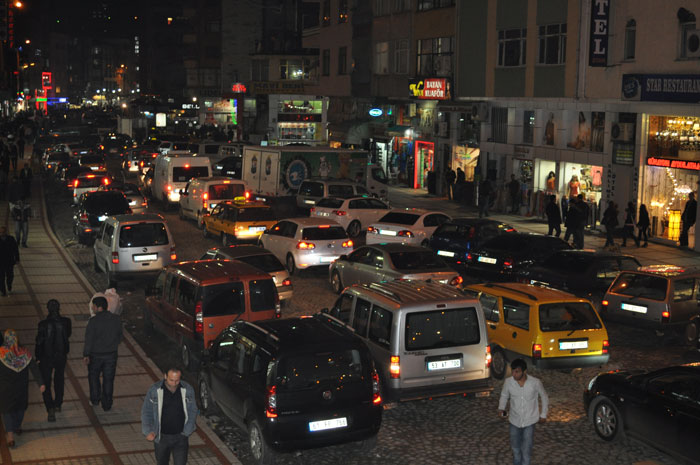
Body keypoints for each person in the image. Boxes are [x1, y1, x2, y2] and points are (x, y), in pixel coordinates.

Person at [141, 366, 199, 465]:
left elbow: (193, 410)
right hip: (161, 437)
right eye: (171, 380)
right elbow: (147, 411)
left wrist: (187, 430)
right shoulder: (155, 390)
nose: (174, 383)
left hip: (181, 436)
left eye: (177, 380)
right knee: (162, 462)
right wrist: (148, 431)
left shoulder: (187, 389)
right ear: (165, 376)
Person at [498, 358, 548, 465]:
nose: (514, 374)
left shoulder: (535, 383)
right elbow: (504, 396)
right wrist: (501, 408)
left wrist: (543, 414)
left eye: (517, 371)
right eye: (513, 371)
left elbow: (544, 396)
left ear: (524, 371)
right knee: (515, 448)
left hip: (529, 421)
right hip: (514, 420)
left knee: (526, 449)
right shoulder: (508, 382)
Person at [0, 329, 45, 448]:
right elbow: (34, 368)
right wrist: (41, 383)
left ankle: (11, 434)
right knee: (20, 409)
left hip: (6, 390)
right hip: (21, 388)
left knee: (8, 411)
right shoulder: (25, 353)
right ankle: (15, 429)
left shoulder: (1, 354)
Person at [83, 296, 122, 411]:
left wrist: (86, 354)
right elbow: (120, 336)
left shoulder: (93, 321)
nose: (92, 308)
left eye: (93, 306)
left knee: (94, 377)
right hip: (111, 355)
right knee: (109, 379)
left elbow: (89, 339)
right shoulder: (116, 319)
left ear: (97, 307)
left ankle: (95, 399)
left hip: (95, 355)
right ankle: (107, 404)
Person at [35, 299, 72, 421]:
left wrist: (38, 357)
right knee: (59, 379)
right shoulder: (66, 322)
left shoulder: (43, 324)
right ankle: (58, 403)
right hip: (61, 356)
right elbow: (68, 335)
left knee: (46, 382)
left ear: (48, 309)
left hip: (46, 357)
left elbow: (39, 342)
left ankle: (49, 406)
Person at [0, 226, 20, 296]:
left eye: (3, 232)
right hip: (1, 262)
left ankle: (9, 286)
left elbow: (15, 249)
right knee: (1, 277)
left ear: (6, 232)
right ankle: (3, 290)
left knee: (10, 276)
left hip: (9, 261)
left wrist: (17, 259)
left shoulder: (11, 239)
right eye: (1, 232)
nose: (2, 233)